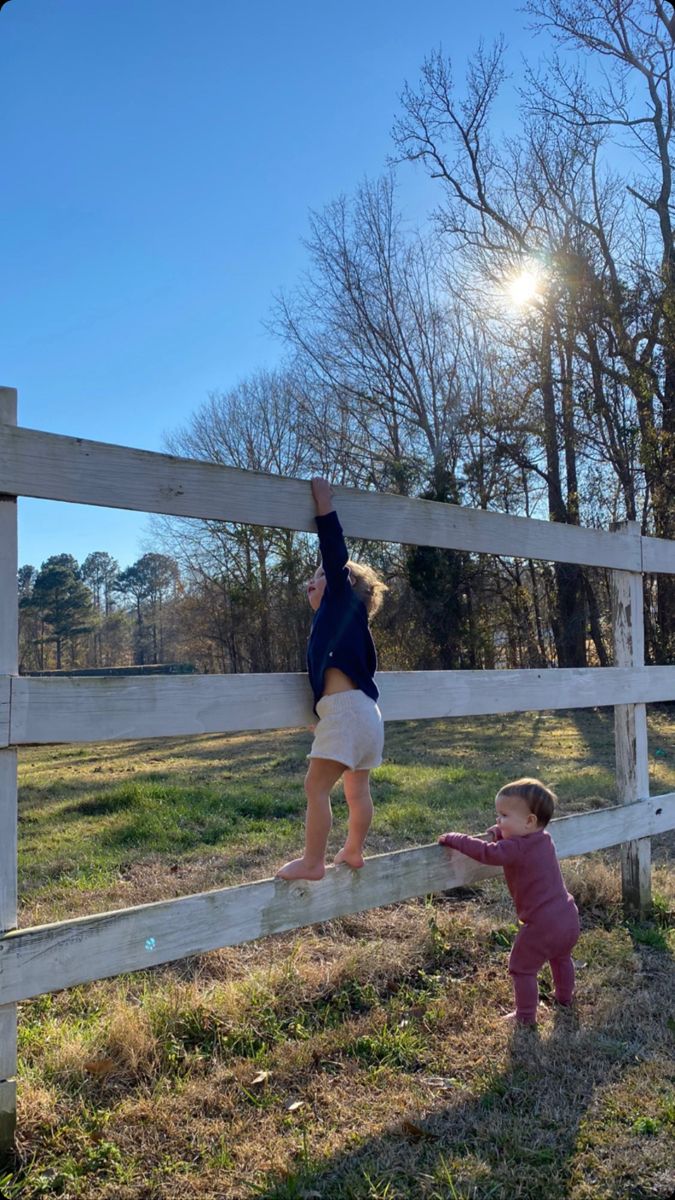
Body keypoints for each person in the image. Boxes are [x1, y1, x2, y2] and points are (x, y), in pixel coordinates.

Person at [276, 477, 387, 882]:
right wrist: (322, 720)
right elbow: (332, 681)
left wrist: (324, 505)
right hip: (366, 716)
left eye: (321, 574)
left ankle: (312, 862)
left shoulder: (342, 602)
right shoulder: (338, 625)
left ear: (345, 583)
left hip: (347, 713)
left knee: (316, 788)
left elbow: (335, 551)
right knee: (357, 791)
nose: (314, 579)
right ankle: (354, 850)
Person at [438, 777, 580, 1025]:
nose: (498, 820)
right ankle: (565, 997)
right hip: (567, 915)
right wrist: (501, 833)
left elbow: (488, 853)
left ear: (529, 821)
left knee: (522, 967)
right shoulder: (543, 839)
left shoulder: (516, 847)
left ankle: (525, 1016)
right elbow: (512, 846)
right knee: (561, 957)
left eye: (503, 816)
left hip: (541, 924)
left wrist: (456, 838)